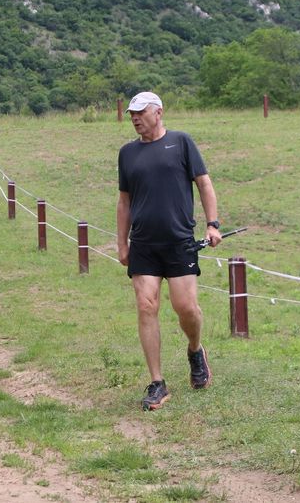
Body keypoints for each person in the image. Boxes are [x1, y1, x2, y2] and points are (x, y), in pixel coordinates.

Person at [116, 91, 222, 411]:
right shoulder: (127, 153)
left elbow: (204, 183)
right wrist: (122, 243)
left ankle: (195, 350)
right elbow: (124, 201)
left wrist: (212, 223)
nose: (134, 118)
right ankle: (157, 382)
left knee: (186, 308)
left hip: (179, 241)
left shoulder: (181, 142)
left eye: (140, 112)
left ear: (158, 112)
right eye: (131, 113)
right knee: (146, 306)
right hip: (144, 244)